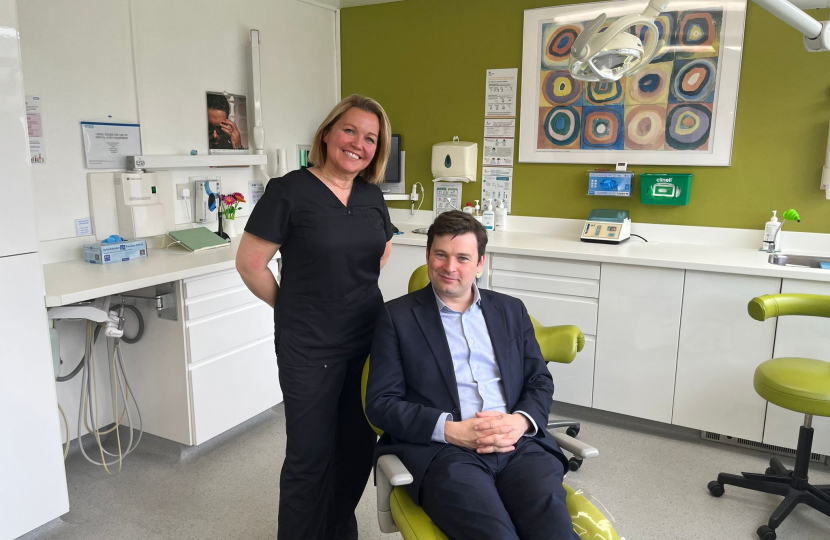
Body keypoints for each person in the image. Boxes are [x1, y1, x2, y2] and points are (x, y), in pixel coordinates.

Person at [236, 94, 394, 540]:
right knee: (310, 455)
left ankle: (338, 530)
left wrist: (345, 288)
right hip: (309, 346)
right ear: (327, 133)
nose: (357, 144)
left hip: (367, 341)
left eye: (369, 138)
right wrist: (293, 307)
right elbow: (250, 263)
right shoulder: (289, 191)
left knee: (357, 449)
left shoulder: (370, 195)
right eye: (350, 131)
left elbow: (379, 252)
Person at [366, 211, 579, 540]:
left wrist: (520, 422)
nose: (450, 267)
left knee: (553, 530)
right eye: (441, 255)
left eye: (463, 258)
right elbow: (381, 403)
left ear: (480, 263)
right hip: (446, 452)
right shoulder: (396, 318)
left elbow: (539, 380)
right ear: (427, 256)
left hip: (517, 444)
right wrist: (450, 431)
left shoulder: (510, 310)